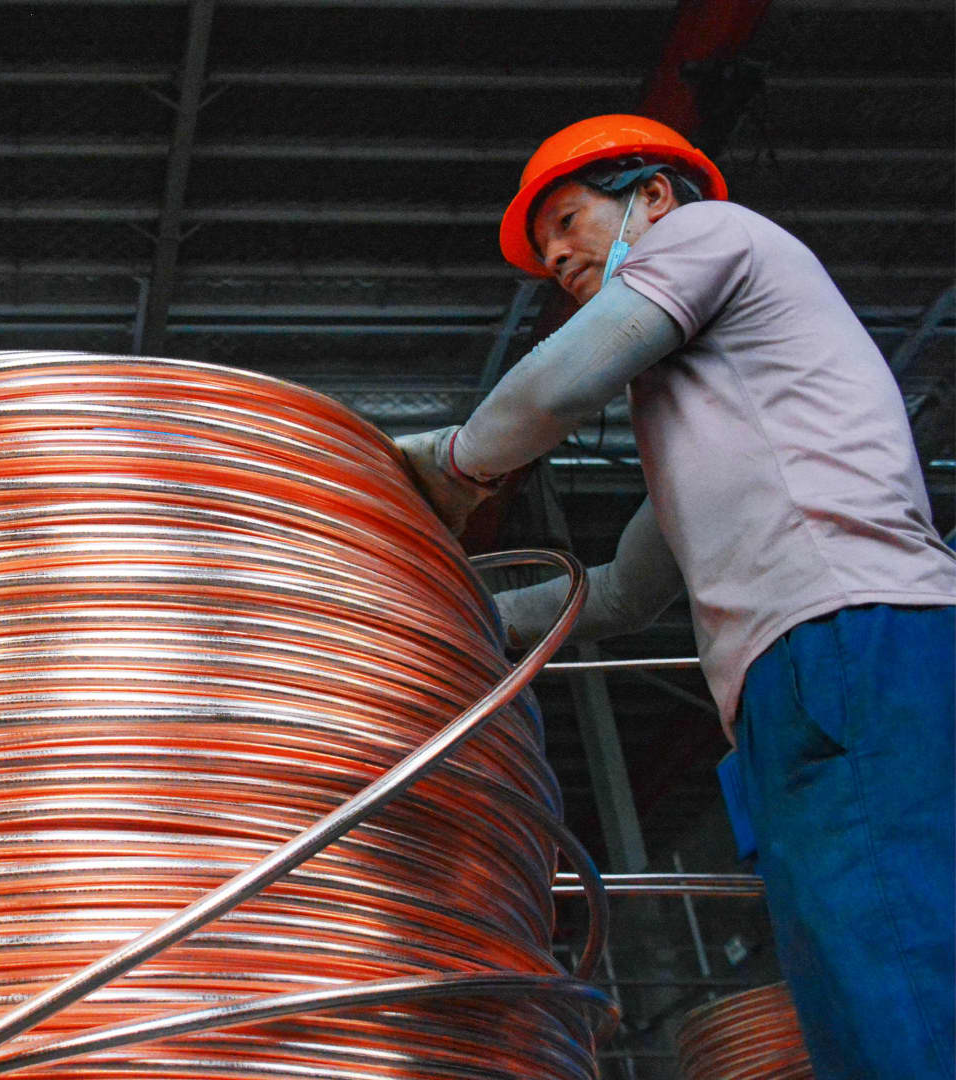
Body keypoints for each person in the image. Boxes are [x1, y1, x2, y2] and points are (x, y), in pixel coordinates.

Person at [395, 114, 956, 1078]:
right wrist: (449, 611)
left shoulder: (712, 232)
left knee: (902, 972)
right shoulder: (720, 402)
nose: (556, 257)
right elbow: (623, 593)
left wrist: (450, 465)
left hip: (852, 641)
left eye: (568, 221)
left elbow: (557, 388)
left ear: (653, 196)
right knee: (857, 996)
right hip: (795, 682)